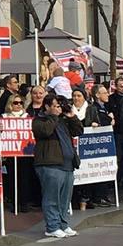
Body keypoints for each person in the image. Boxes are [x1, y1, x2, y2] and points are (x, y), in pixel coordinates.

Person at [33, 93, 84, 238]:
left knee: (64, 198)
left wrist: (71, 116)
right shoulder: (39, 120)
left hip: (67, 164)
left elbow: (79, 131)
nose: (57, 109)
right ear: (47, 106)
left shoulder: (63, 120)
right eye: (54, 106)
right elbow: (45, 131)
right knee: (52, 197)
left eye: (59, 106)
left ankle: (62, 223)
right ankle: (52, 226)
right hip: (50, 164)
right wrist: (54, 116)